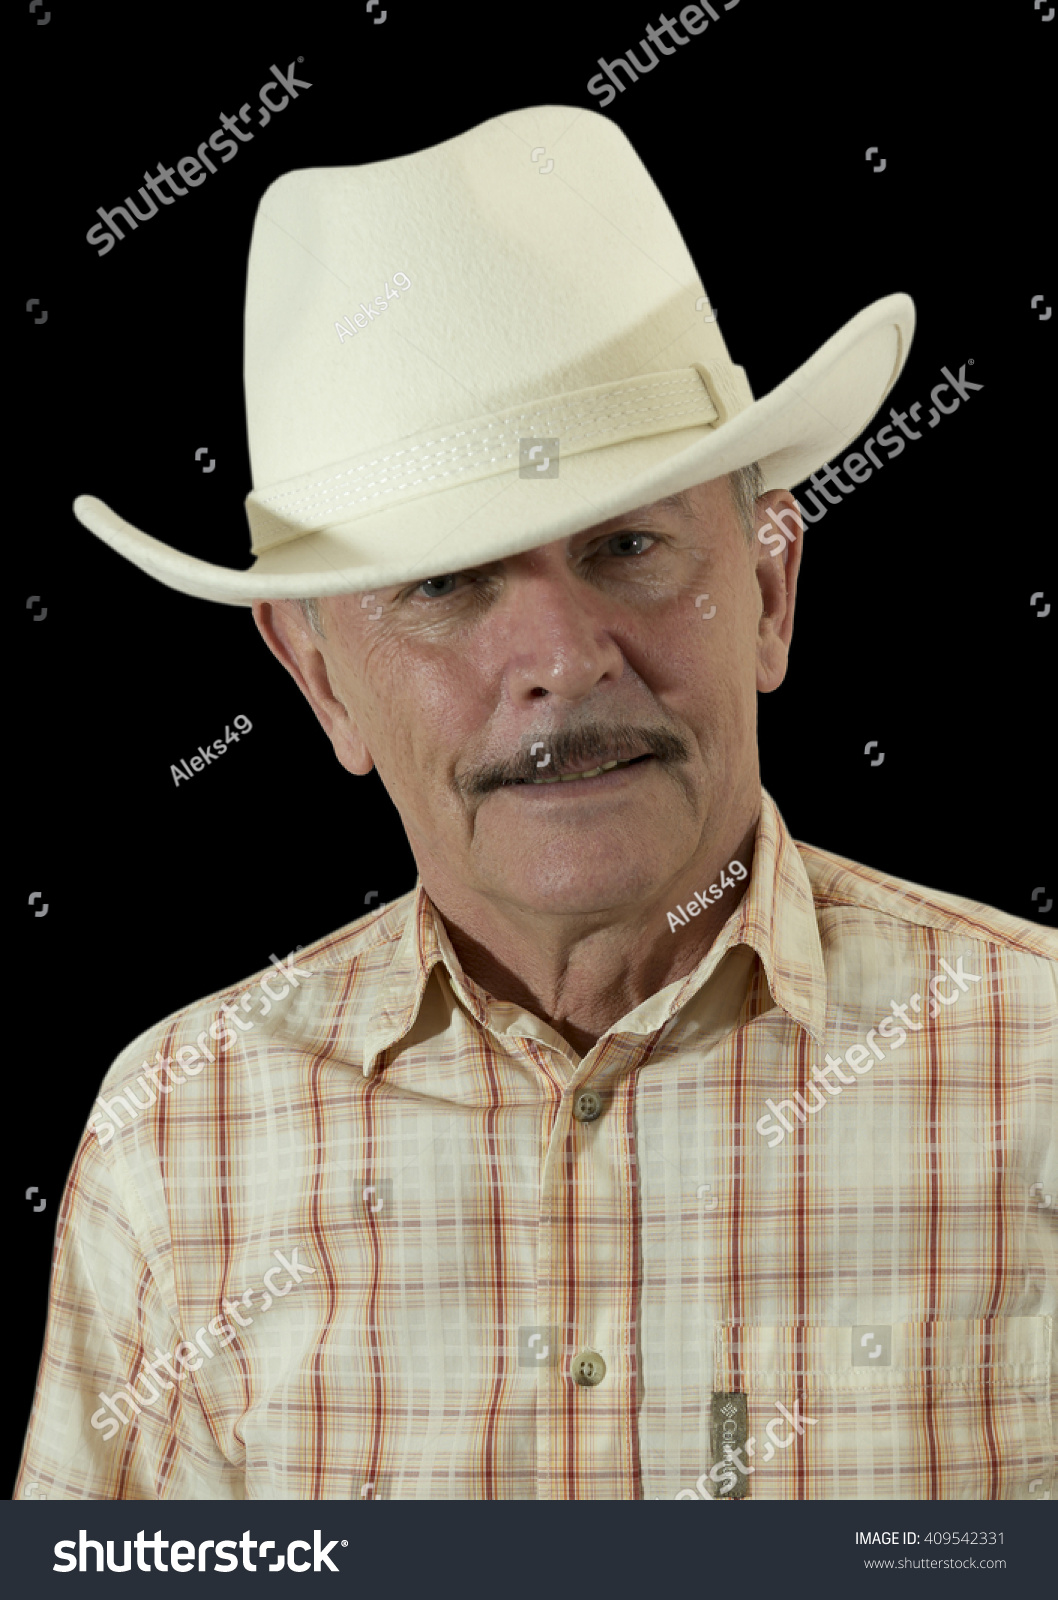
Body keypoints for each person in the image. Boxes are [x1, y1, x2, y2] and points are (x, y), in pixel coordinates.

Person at [15, 105, 1055, 1501]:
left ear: (764, 591)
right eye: (446, 587)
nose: (562, 663)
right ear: (319, 677)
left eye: (627, 547)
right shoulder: (174, 1141)